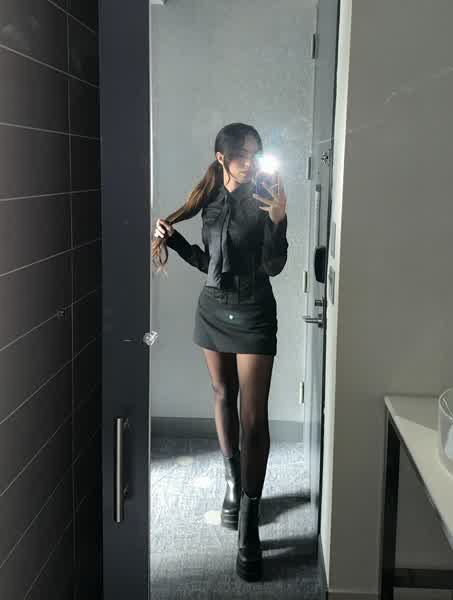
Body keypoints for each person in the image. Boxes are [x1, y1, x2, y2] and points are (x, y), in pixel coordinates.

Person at [152, 123, 288, 582]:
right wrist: (174, 240)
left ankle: (249, 522)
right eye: (242, 155)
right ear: (221, 157)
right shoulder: (209, 200)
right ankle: (233, 484)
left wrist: (279, 220)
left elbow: (274, 265)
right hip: (213, 309)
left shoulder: (266, 198)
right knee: (222, 394)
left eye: (255, 154)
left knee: (254, 416)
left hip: (254, 311)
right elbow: (208, 262)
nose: (250, 162)